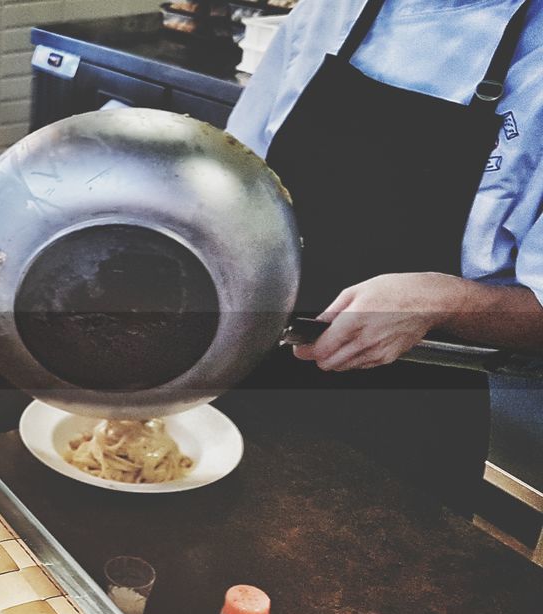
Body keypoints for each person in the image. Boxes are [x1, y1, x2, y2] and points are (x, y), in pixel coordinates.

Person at [226, 0, 543, 506]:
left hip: (409, 424)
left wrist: (445, 300)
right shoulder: (328, 10)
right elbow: (233, 183)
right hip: (248, 372)